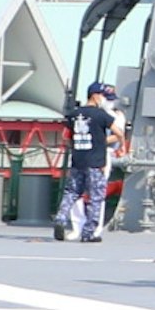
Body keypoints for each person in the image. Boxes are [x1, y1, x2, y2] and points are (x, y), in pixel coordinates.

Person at [59, 80, 121, 242]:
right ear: (95, 96)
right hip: (96, 162)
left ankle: (60, 218)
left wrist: (78, 144)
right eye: (101, 95)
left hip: (78, 160)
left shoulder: (73, 114)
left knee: (72, 192)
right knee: (96, 197)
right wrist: (101, 141)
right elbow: (119, 133)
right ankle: (89, 233)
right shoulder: (101, 115)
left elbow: (64, 137)